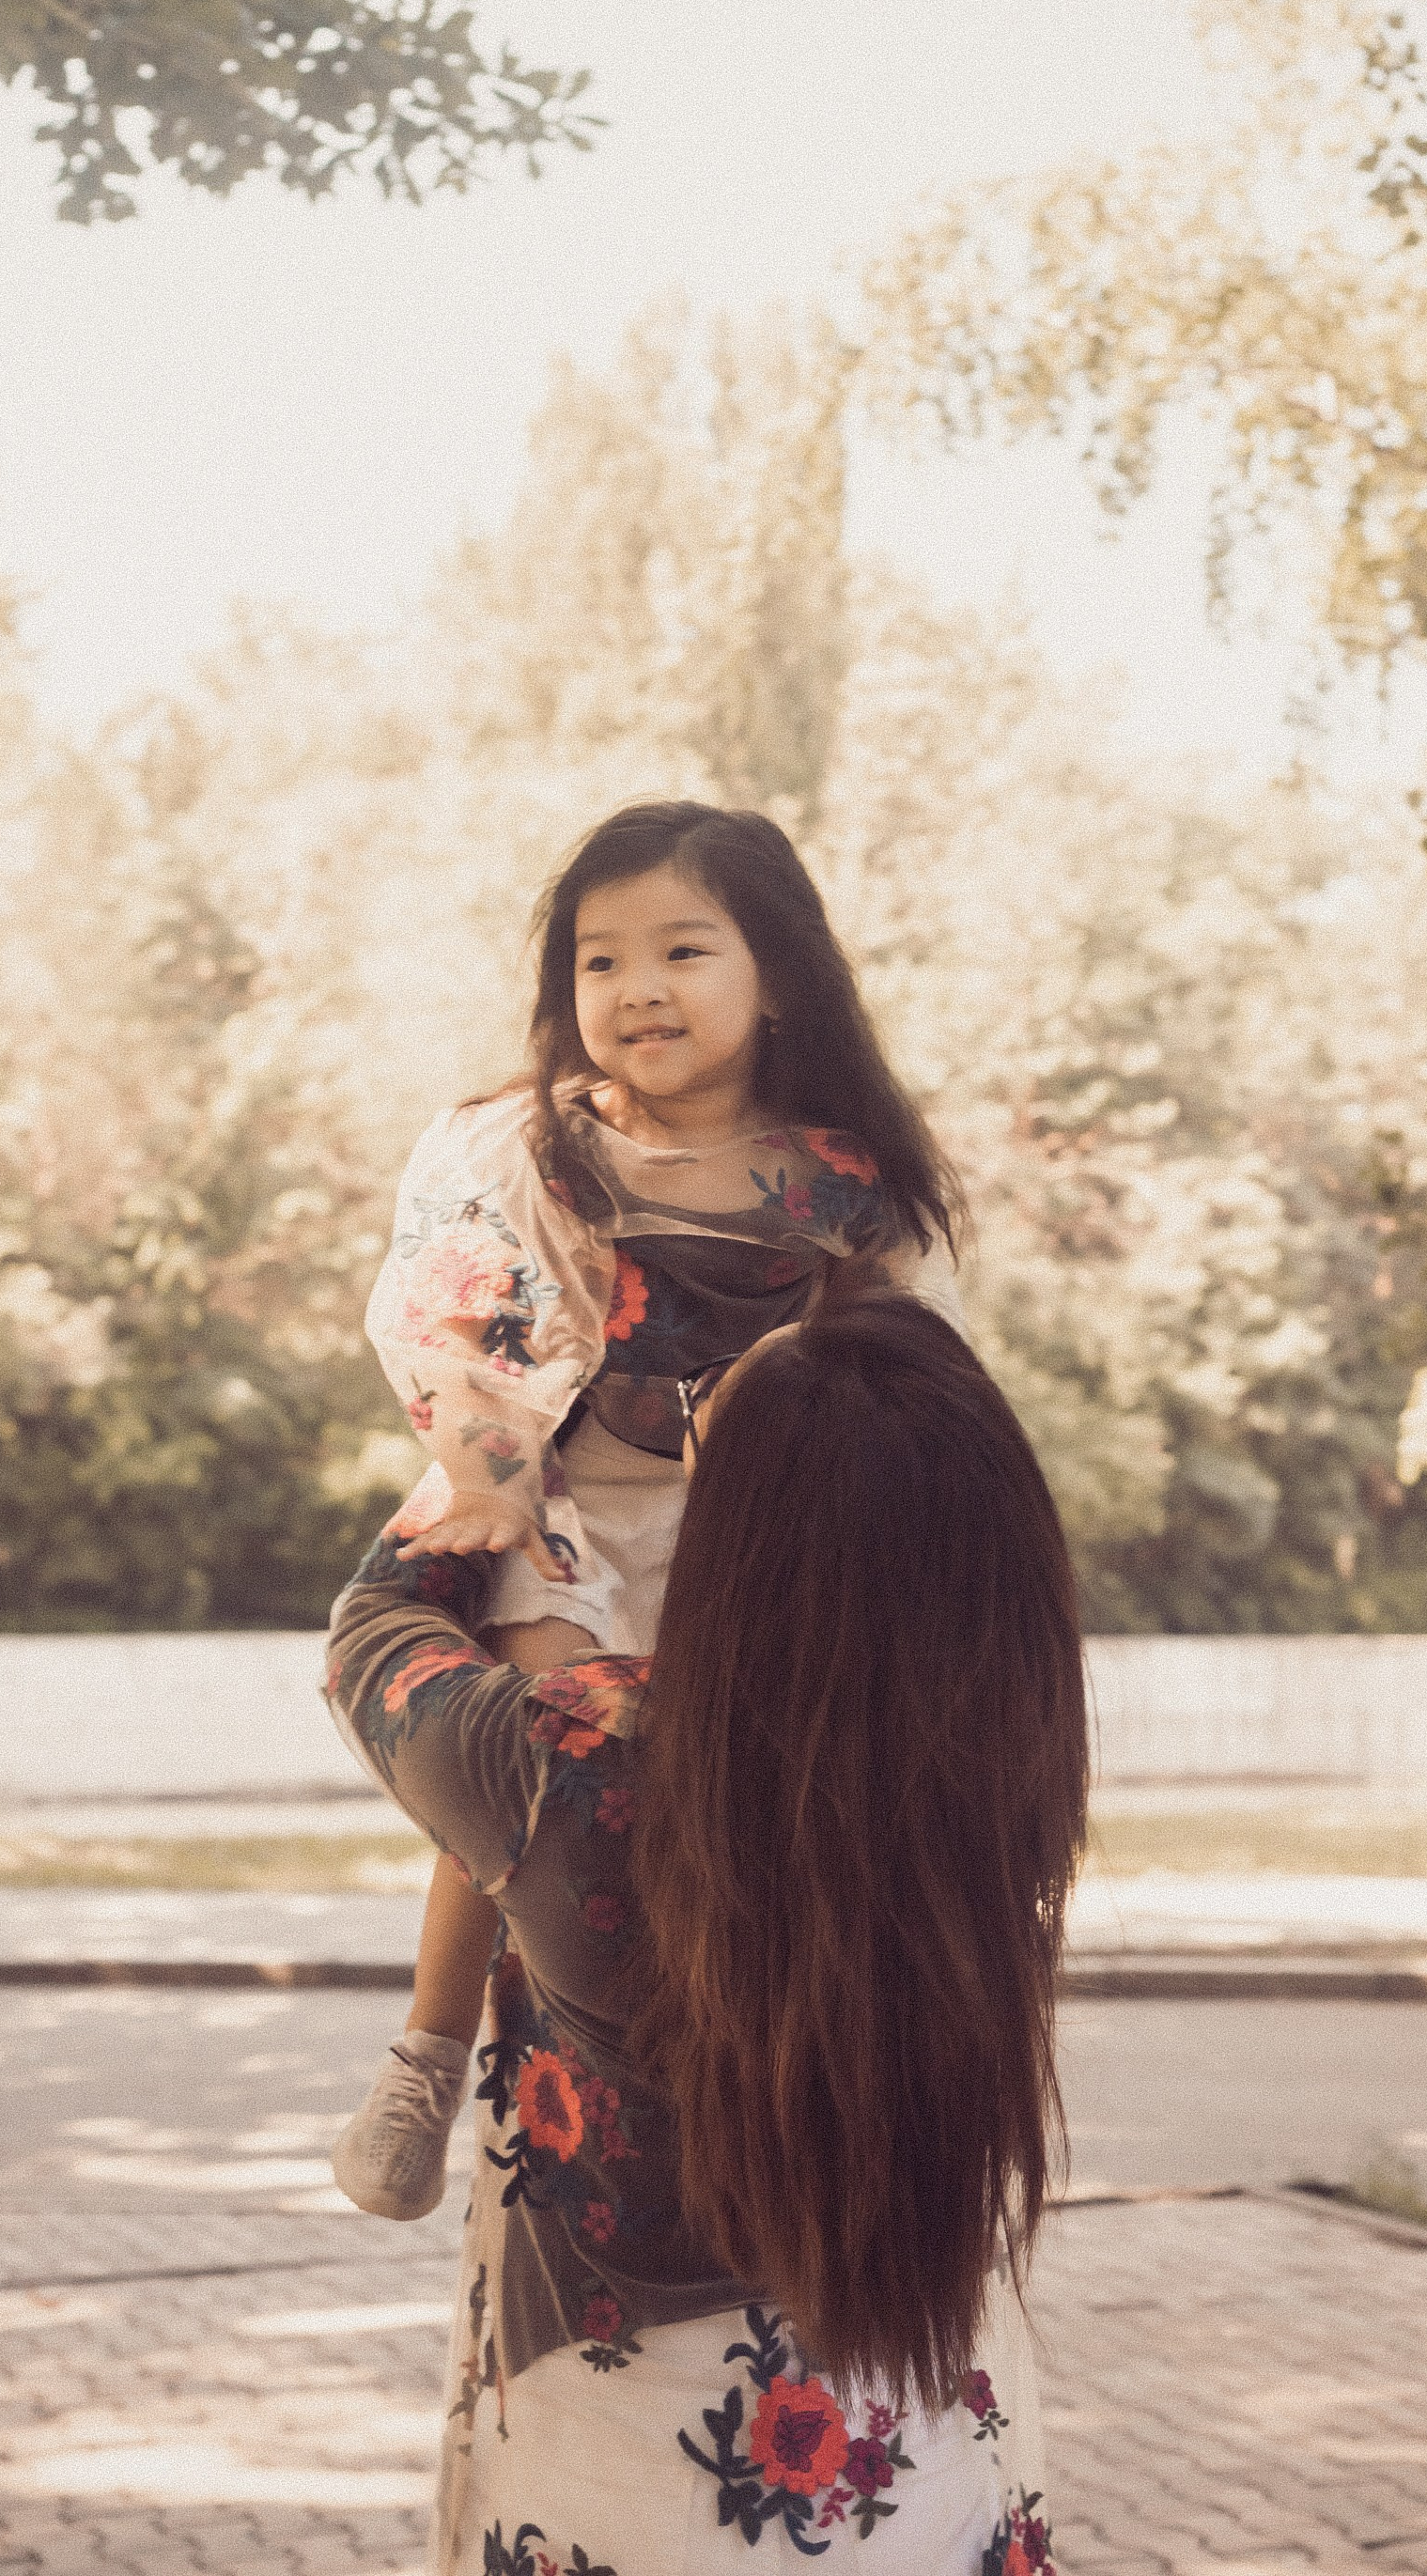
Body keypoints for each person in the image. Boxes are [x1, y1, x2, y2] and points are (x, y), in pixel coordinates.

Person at [324, 1286, 1088, 2575]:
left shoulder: (568, 1753)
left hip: (624, 2453)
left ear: (739, 1538)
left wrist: (492, 1442)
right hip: (926, 2434)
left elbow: (372, 1640)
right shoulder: (1001, 1775)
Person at [335, 801, 968, 2221]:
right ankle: (427, 2054)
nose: (637, 991)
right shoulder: (532, 1150)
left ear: (782, 976)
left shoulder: (845, 1181)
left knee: (746, 1797)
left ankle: (771, 2052)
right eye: (599, 963)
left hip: (753, 1540)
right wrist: (489, 1477)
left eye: (682, 950)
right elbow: (464, 1319)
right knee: (540, 1778)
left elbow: (913, 1382)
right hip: (550, 1506)